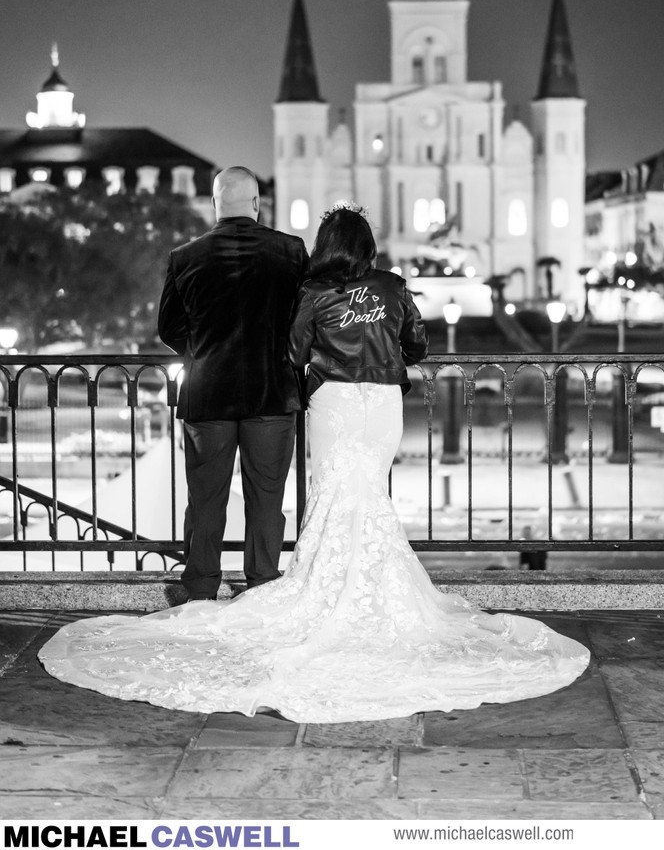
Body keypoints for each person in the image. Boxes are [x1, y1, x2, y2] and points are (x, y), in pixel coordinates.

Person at [39, 202, 589, 723]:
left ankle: (294, 586)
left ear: (326, 246)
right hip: (384, 406)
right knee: (366, 493)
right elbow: (415, 345)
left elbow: (295, 351)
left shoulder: (313, 292)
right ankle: (360, 584)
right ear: (369, 246)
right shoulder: (392, 288)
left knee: (328, 491)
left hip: (334, 402)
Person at [157, 165, 308, 598]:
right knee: (265, 498)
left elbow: (169, 328)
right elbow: (304, 321)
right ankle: (261, 583)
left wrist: (204, 349)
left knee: (206, 498)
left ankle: (202, 585)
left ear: (214, 205)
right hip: (272, 392)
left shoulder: (185, 257)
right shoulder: (292, 251)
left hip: (207, 394)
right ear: (258, 204)